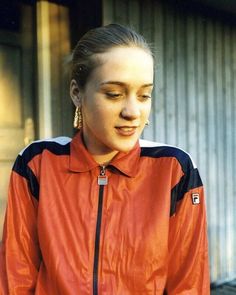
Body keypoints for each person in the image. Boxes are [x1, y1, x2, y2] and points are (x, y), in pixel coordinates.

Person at [0, 24, 210, 294]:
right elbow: (16, 276)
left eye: (144, 95)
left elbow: (189, 285)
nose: (133, 111)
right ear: (77, 93)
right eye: (114, 94)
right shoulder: (37, 163)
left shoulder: (175, 170)